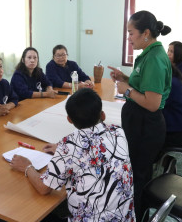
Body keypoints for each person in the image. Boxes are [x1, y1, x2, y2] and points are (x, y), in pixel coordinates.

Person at [10, 88, 135, 222]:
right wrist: (64, 150)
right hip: (124, 217)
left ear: (69, 120)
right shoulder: (118, 131)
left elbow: (43, 188)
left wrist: (27, 167)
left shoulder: (69, 145)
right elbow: (96, 149)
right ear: (103, 115)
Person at [108, 10, 172, 220]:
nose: (128, 38)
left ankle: (136, 215)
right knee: (137, 171)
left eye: (131, 33)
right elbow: (144, 86)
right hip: (140, 122)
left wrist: (126, 89)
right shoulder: (149, 54)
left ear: (145, 33)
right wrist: (125, 77)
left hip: (146, 125)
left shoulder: (154, 58)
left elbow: (152, 103)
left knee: (138, 175)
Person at [163, 64, 182, 147]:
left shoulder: (171, 84)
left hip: (176, 135)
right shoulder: (175, 79)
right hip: (180, 129)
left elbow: (154, 105)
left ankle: (162, 159)